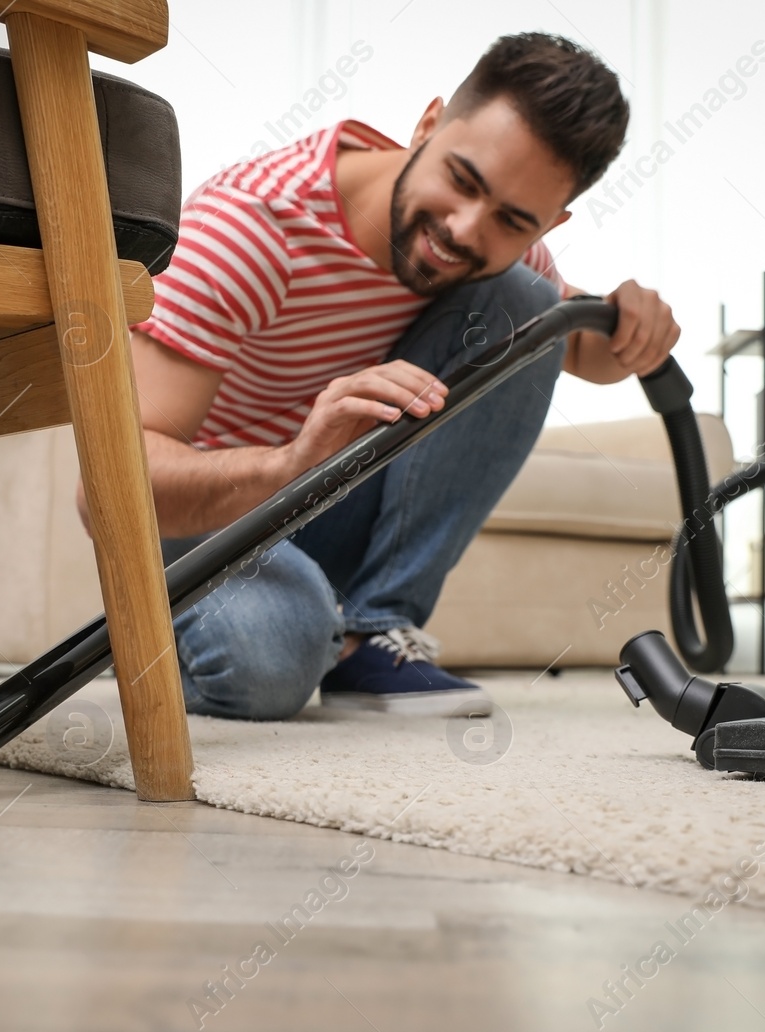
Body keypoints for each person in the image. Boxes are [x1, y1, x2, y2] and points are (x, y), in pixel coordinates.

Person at [80, 32, 679, 720]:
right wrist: (289, 465)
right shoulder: (253, 229)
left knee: (534, 307)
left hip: (318, 508)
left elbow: (574, 350)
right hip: (208, 523)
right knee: (270, 665)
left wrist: (630, 324)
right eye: (461, 179)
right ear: (426, 127)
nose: (463, 230)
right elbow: (109, 490)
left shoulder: (502, 255)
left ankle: (372, 635)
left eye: (513, 220)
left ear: (551, 220)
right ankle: (185, 640)